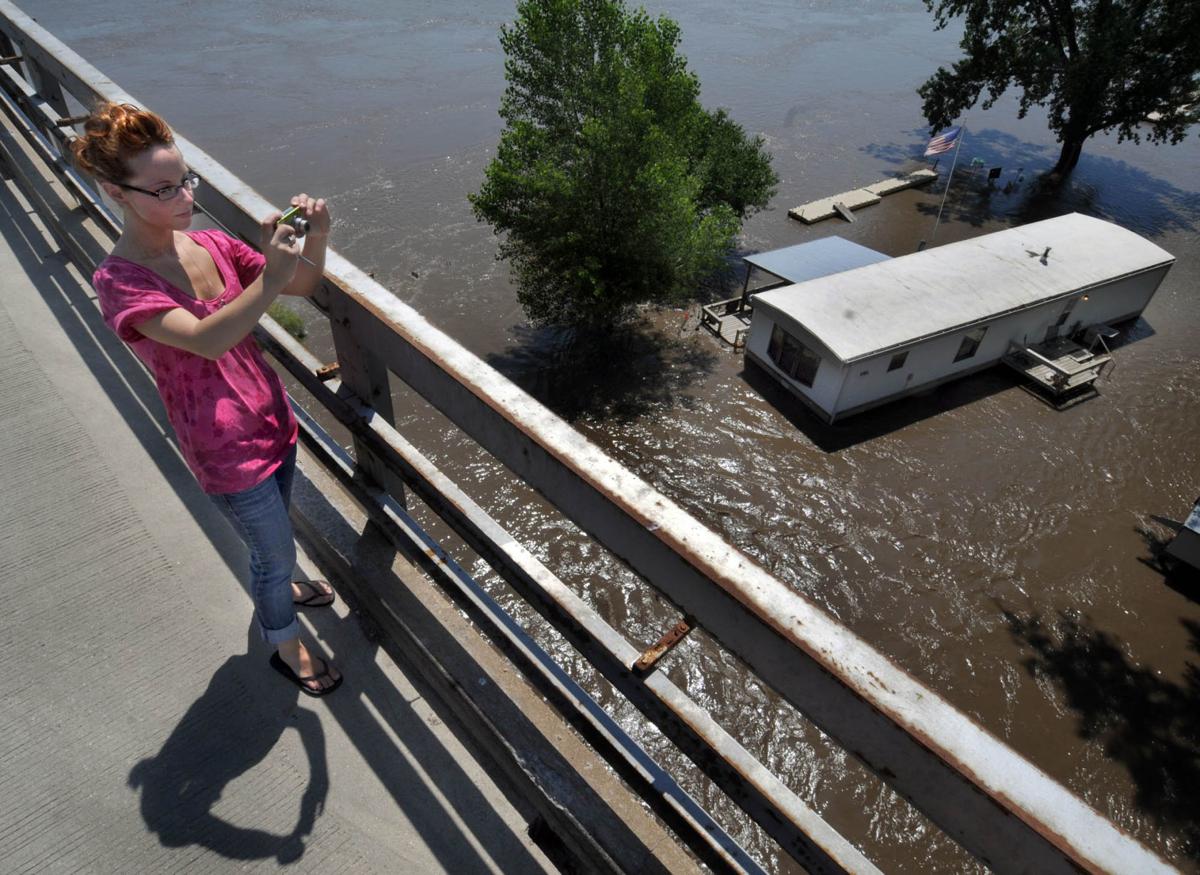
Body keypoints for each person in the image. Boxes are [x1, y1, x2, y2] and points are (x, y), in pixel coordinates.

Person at [71, 102, 342, 696]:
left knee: (279, 535)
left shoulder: (211, 244)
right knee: (271, 555)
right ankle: (285, 646)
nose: (183, 198)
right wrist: (269, 277)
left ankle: (285, 585)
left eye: (185, 180)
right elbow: (207, 339)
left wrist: (314, 240)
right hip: (223, 448)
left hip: (272, 417)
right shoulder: (121, 282)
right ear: (116, 192)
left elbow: (298, 283)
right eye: (164, 190)